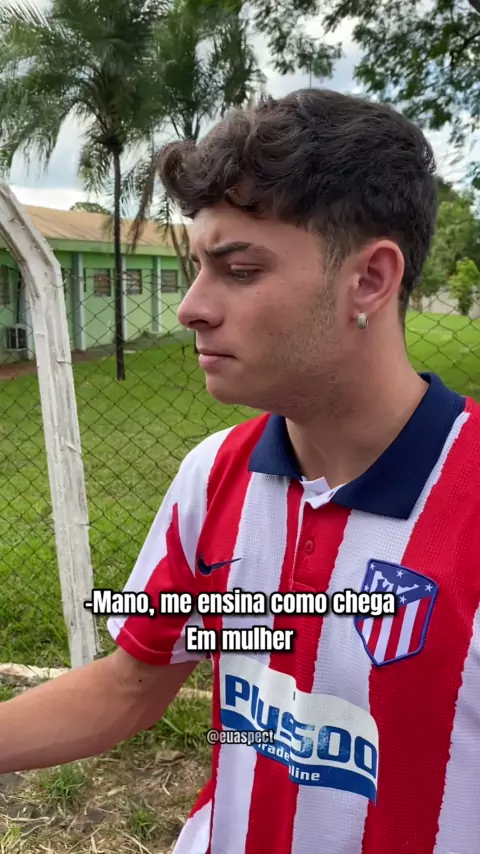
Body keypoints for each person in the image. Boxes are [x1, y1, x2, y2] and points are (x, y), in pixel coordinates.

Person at [1, 88, 480, 854]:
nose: (191, 307)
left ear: (369, 280)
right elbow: (128, 687)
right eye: (199, 267)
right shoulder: (215, 475)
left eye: (241, 270)